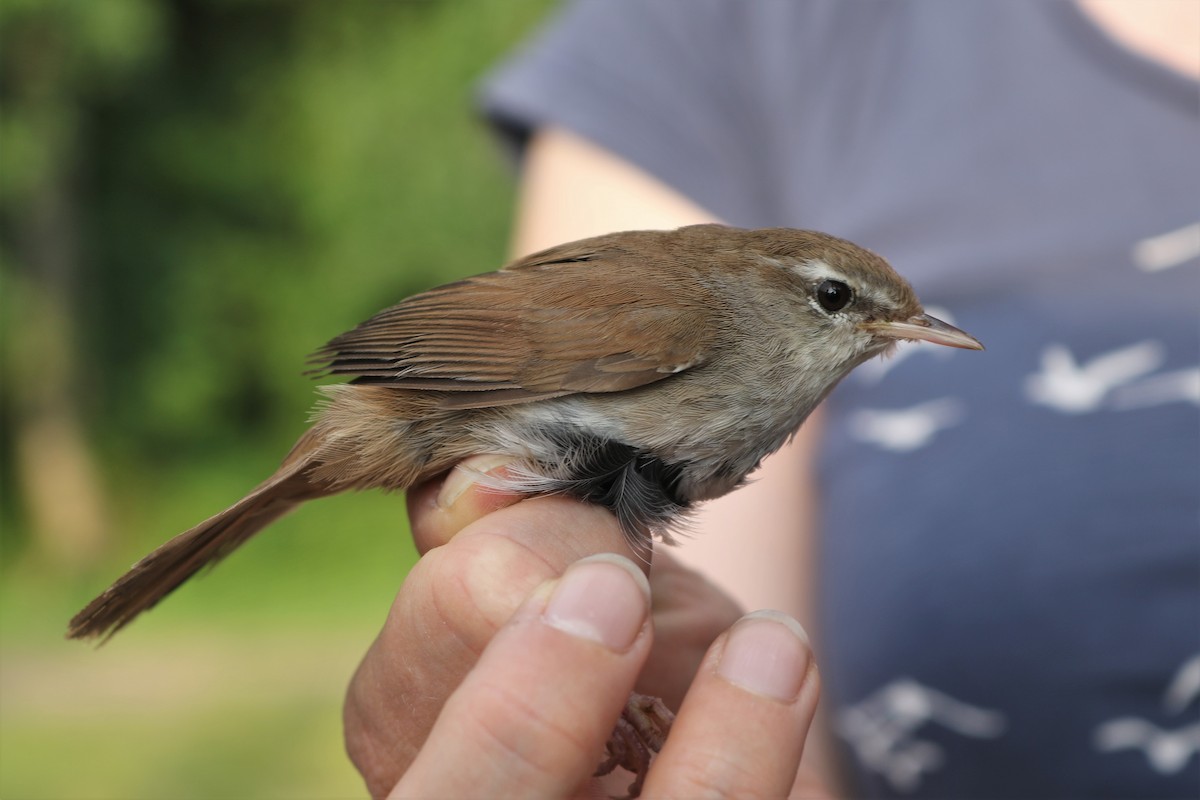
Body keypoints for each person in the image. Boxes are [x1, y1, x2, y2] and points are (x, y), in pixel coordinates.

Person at [344, 1, 1200, 797]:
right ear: (767, 294)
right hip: (449, 404)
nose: (875, 329)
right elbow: (510, 344)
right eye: (835, 301)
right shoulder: (727, 50)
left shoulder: (751, 371)